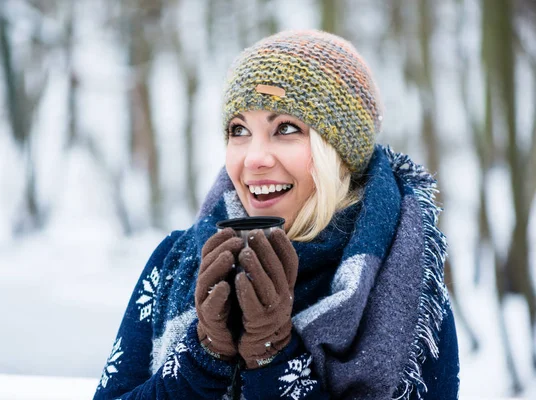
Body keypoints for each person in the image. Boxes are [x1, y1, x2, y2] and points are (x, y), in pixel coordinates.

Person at [93, 30, 460, 400]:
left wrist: (276, 358)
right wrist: (201, 358)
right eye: (239, 130)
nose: (253, 158)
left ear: (340, 151)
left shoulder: (405, 281)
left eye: (286, 128)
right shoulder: (176, 262)